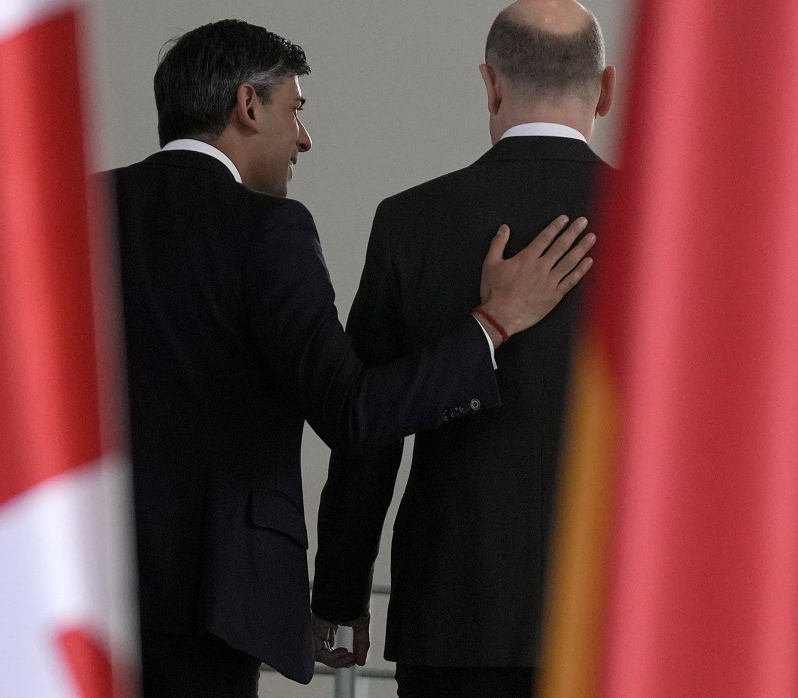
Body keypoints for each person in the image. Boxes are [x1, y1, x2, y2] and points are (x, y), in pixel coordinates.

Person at [97, 18, 594, 697]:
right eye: (294, 111)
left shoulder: (79, 211)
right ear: (248, 105)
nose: (303, 137)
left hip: (75, 574)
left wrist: (339, 594)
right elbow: (355, 411)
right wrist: (491, 323)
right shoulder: (267, 231)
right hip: (219, 594)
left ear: (491, 84)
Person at [310, 2, 616, 696]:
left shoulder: (411, 222)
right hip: (623, 611)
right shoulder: (669, 220)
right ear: (604, 88)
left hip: (455, 614)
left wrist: (340, 595)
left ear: (490, 84)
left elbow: (370, 437)